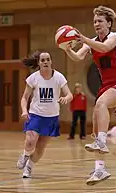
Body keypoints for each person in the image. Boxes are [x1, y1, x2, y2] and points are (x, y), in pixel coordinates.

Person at [63, 5, 116, 185]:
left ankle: (102, 142)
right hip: (106, 86)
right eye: (94, 21)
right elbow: (78, 57)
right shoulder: (90, 42)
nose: (96, 24)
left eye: (100, 21)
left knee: (100, 104)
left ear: (109, 23)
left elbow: (103, 48)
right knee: (96, 125)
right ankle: (100, 169)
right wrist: (66, 48)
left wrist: (84, 38)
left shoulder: (114, 37)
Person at [17, 50, 73, 178]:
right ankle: (25, 155)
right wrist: (24, 110)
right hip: (36, 114)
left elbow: (69, 94)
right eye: (43, 60)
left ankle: (29, 166)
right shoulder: (33, 78)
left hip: (51, 117)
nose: (46, 62)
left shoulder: (59, 77)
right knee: (31, 141)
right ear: (39, 63)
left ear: (51, 61)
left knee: (40, 148)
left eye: (48, 59)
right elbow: (24, 97)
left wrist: (66, 98)